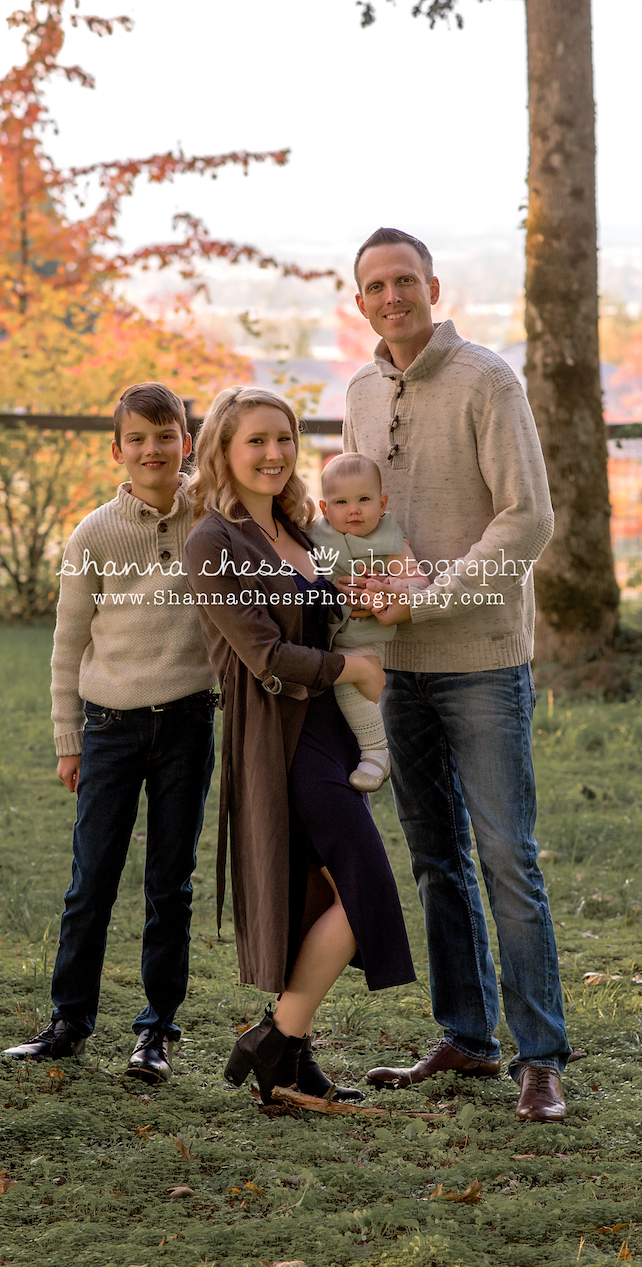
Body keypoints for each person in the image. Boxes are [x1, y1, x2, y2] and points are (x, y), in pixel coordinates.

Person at [341, 227, 572, 1122]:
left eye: (405, 280)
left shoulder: (487, 381)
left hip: (479, 662)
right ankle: (466, 1037)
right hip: (395, 668)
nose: (392, 297)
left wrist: (429, 598)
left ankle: (540, 1057)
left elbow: (527, 520)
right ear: (359, 301)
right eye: (375, 286)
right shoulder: (360, 392)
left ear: (433, 288)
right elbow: (356, 518)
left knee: (507, 858)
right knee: (436, 858)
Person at [184, 385, 415, 1104]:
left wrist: (377, 592)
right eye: (255, 440)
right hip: (278, 738)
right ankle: (274, 1038)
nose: (273, 453)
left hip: (332, 731)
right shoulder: (214, 542)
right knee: (364, 885)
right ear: (222, 450)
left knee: (319, 895)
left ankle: (289, 1059)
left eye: (283, 438)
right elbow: (264, 656)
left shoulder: (302, 529)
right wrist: (353, 667)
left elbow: (332, 608)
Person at [3, 382, 216, 1085]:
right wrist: (68, 739)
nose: (153, 449)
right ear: (117, 449)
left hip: (187, 722)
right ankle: (69, 1021)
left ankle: (156, 1031)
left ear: (187, 442)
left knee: (169, 885)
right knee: (90, 880)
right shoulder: (93, 534)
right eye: (138, 438)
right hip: (108, 727)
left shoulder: (213, 521)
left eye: (166, 435)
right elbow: (68, 643)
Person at [309, 451, 426, 791]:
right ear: (324, 508)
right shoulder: (315, 535)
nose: (354, 510)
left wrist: (393, 586)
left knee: (349, 681)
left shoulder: (388, 539)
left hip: (365, 631)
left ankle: (376, 750)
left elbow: (419, 581)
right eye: (341, 502)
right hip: (325, 632)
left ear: (382, 502)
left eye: (364, 500)